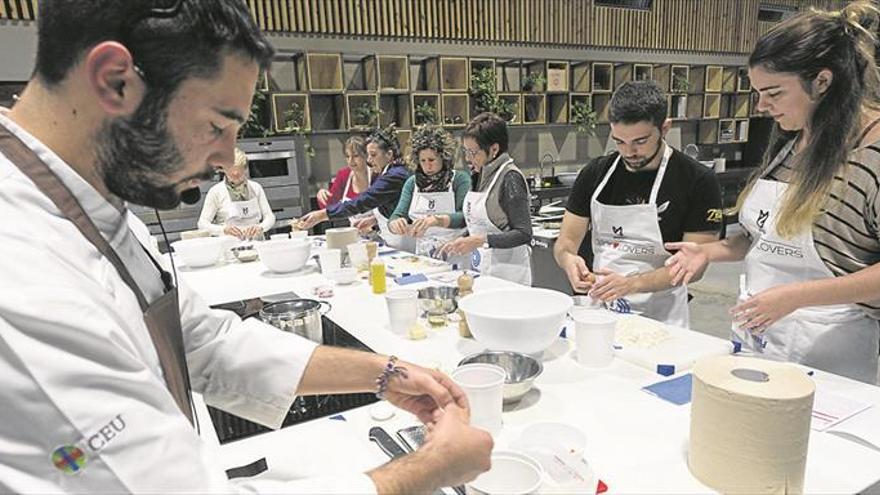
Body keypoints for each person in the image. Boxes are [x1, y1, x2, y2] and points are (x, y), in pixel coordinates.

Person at [0, 1, 492, 492]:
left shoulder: (88, 205)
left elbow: (205, 342)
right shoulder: (23, 268)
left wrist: (386, 374)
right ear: (114, 80)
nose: (223, 158)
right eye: (217, 125)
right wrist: (429, 471)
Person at [666, 0, 880, 383]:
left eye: (774, 93)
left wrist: (797, 296)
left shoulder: (873, 153)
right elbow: (765, 239)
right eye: (758, 93)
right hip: (763, 338)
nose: (762, 106)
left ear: (823, 81)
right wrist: (707, 251)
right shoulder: (793, 142)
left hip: (836, 357)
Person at [554, 81, 723, 328]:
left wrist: (631, 284)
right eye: (619, 142)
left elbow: (693, 268)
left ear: (665, 128)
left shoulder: (697, 180)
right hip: (601, 312)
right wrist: (568, 260)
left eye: (640, 142)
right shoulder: (596, 174)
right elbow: (566, 242)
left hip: (662, 318)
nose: (629, 152)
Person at [438, 113, 533, 285]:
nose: (468, 158)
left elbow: (524, 233)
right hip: (483, 267)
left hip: (508, 275)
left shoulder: (510, 178)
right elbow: (475, 222)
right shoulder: (479, 174)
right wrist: (459, 240)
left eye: (473, 152)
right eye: (465, 151)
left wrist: (480, 240)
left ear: (494, 149)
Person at [297, 125, 413, 250]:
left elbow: (364, 201)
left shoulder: (394, 176)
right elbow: (391, 205)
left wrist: (320, 215)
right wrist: (374, 220)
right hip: (393, 239)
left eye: (373, 155)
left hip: (405, 240)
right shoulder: (387, 171)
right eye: (368, 155)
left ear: (389, 154)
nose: (370, 160)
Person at [388, 125, 471, 263]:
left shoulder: (459, 180)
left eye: (432, 160)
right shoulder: (412, 183)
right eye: (423, 161)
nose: (427, 166)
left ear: (444, 157)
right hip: (423, 256)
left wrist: (436, 220)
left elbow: (465, 217)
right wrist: (395, 224)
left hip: (455, 254)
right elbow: (396, 215)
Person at [197, 147, 275, 240]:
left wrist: (260, 227)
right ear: (223, 170)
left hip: (257, 243)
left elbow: (270, 217)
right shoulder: (216, 192)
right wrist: (223, 230)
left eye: (239, 173)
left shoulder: (256, 188)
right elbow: (202, 223)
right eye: (231, 173)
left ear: (245, 169)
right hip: (228, 245)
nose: (236, 176)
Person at [316, 135, 372, 209]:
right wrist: (321, 195)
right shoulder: (343, 175)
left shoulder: (375, 174)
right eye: (347, 156)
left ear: (366, 155)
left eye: (355, 156)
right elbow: (330, 205)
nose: (351, 161)